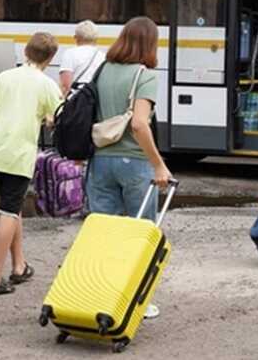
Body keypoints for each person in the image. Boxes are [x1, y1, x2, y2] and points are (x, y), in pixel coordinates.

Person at [0, 32, 62, 295]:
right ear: (50, 58)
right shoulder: (46, 84)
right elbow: (56, 119)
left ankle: (19, 266)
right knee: (7, 211)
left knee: (12, 207)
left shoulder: (5, 76)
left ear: (26, 51)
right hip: (19, 153)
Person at [86, 16, 173, 318]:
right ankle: (137, 301)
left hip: (101, 160)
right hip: (134, 164)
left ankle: (101, 295)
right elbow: (139, 123)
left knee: (103, 233)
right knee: (139, 235)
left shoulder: (103, 70)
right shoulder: (144, 75)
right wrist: (158, 164)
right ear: (150, 43)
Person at [59, 20, 105, 96]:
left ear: (76, 37)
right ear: (96, 38)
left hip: (76, 101)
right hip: (94, 101)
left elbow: (65, 85)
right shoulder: (103, 56)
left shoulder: (70, 53)